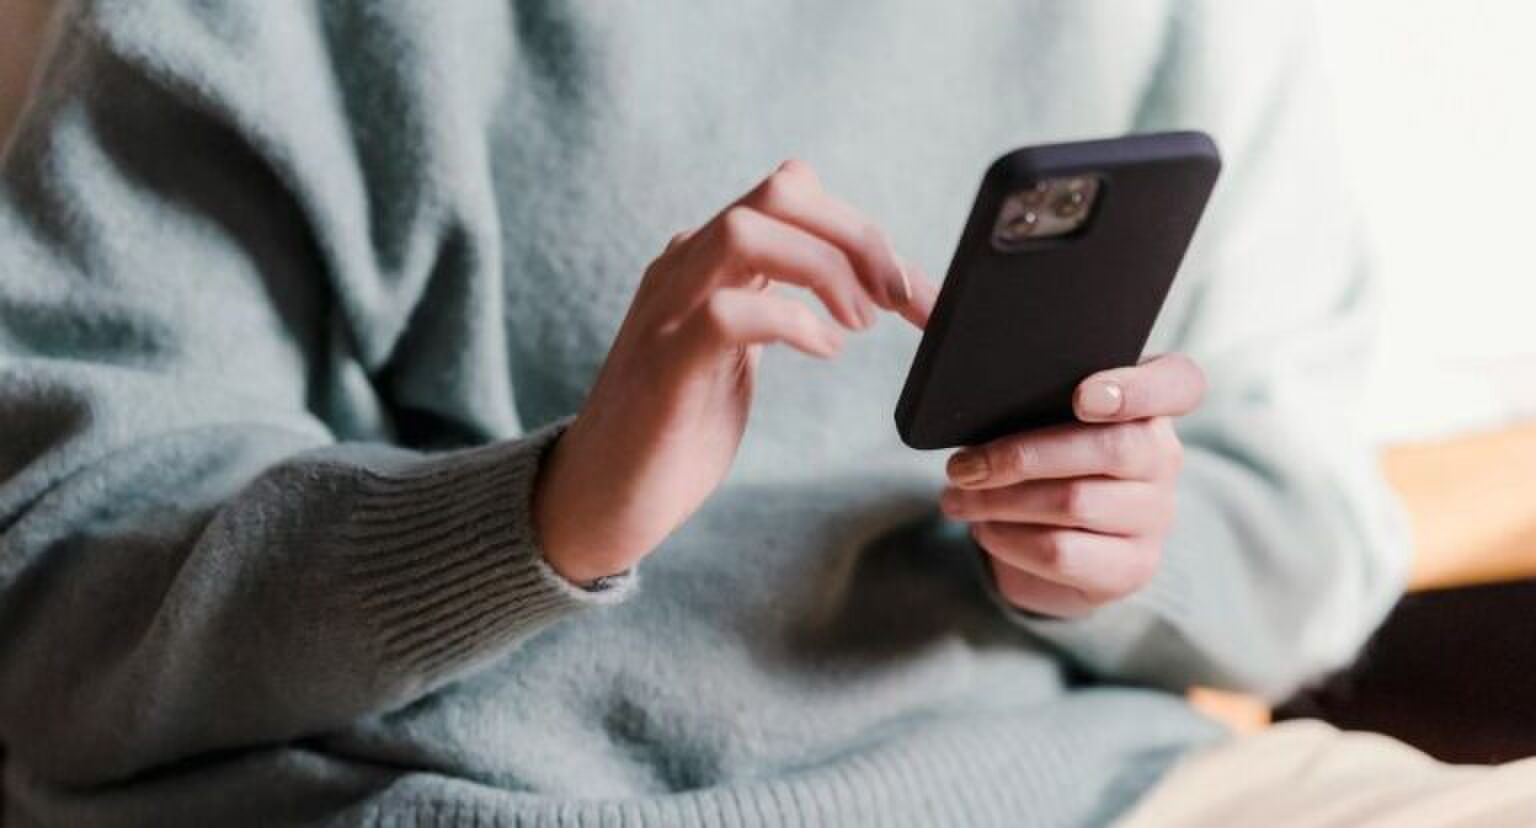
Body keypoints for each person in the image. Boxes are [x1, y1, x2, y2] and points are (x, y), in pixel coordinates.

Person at [5, 1, 1507, 826]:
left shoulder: (1181, 20)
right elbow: (52, 600)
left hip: (1086, 786)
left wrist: (1126, 550)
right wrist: (541, 517)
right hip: (487, 793)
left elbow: (1311, 526)